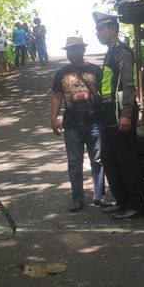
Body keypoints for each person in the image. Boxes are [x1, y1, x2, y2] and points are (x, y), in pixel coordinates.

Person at [93, 11, 144, 219]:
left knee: (128, 161)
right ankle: (122, 201)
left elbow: (129, 85)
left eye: (100, 28)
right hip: (108, 116)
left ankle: (137, 206)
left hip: (120, 115)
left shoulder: (122, 52)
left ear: (112, 29)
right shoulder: (110, 52)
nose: (97, 33)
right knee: (110, 159)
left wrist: (126, 114)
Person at [50, 35, 107, 211]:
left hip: (94, 122)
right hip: (72, 125)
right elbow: (57, 96)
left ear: (83, 50)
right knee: (74, 163)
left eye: (75, 49)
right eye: (69, 50)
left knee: (98, 160)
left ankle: (99, 196)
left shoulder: (96, 70)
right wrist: (54, 118)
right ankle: (78, 199)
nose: (71, 53)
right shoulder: (61, 73)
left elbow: (105, 95)